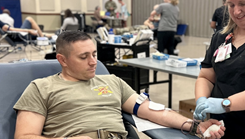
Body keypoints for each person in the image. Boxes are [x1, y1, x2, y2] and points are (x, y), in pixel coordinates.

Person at [13, 30, 225, 139]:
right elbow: (24, 136)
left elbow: (151, 111)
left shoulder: (111, 81)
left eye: (94, 54)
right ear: (63, 60)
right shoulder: (41, 88)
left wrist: (195, 126)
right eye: (84, 56)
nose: (94, 61)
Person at [194, 0, 245, 138]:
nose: (236, 11)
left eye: (243, 4)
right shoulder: (221, 38)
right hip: (219, 126)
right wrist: (201, 100)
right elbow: (206, 77)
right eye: (231, 5)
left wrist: (225, 104)